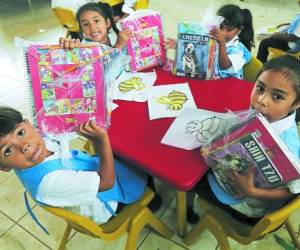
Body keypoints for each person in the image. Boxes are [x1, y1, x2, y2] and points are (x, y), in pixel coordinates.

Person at [193, 55, 300, 224]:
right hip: (232, 171)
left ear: (296, 104)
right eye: (260, 88)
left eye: (277, 97)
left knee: (191, 179)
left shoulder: (289, 147)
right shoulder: (267, 114)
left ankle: (187, 215)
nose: (262, 100)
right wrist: (214, 147)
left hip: (248, 204)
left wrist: (252, 191)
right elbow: (239, 133)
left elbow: (294, 190)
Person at [0, 108, 147, 224]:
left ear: (29, 125)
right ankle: (153, 201)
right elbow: (107, 183)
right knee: (143, 164)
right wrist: (102, 140)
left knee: (124, 148)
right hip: (107, 205)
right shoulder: (49, 181)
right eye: (8, 150)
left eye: (20, 133)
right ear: (4, 167)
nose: (24, 146)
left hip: (88, 175)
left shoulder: (38, 147)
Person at [165, 4, 254, 80]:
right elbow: (198, 51)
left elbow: (224, 66)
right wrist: (181, 45)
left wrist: (221, 43)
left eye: (229, 30)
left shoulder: (240, 51)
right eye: (220, 27)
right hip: (211, 81)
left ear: (239, 30)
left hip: (229, 86)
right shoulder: (211, 38)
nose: (223, 32)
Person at [58, 2, 133, 49]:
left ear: (107, 23)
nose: (92, 28)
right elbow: (106, 64)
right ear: (82, 29)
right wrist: (119, 44)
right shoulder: (85, 48)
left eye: (96, 21)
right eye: (86, 24)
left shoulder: (114, 36)